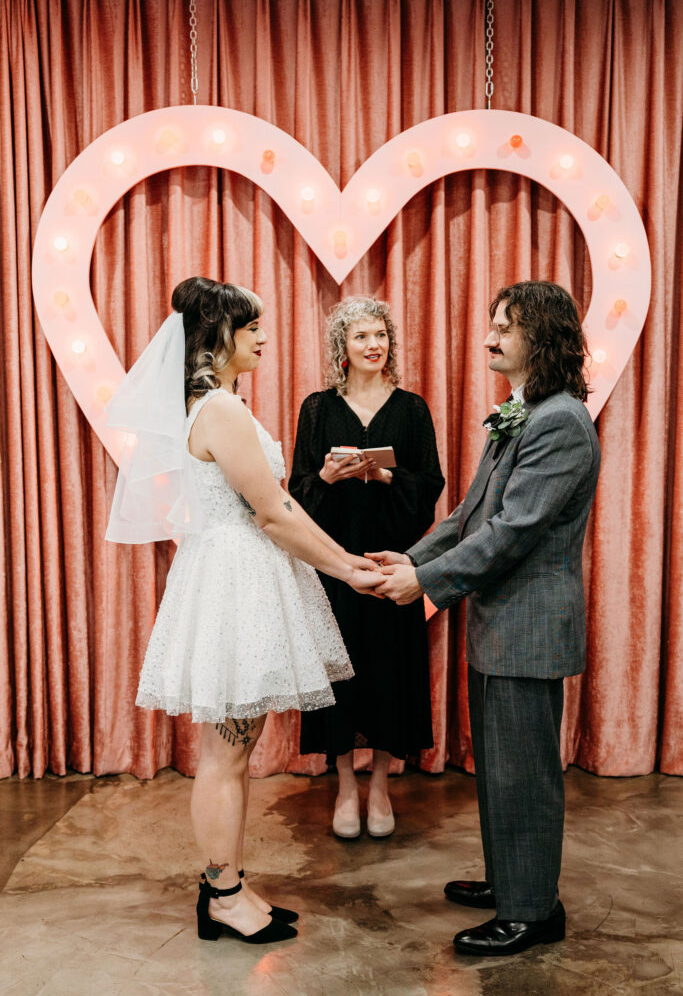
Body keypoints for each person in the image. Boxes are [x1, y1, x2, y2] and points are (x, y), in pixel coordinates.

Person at [105, 277, 382, 945]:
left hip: (236, 574)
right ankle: (222, 896)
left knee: (234, 748)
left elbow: (277, 511)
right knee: (226, 755)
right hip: (235, 581)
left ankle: (225, 882)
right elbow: (275, 512)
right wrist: (347, 568)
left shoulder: (218, 402)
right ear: (220, 337)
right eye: (252, 327)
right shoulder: (220, 411)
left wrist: (342, 564)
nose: (262, 337)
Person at [370, 280, 601, 956]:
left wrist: (426, 583)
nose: (488, 337)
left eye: (503, 325)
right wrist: (406, 560)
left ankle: (531, 911)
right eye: (490, 323)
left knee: (524, 773)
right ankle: (511, 881)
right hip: (499, 622)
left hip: (527, 627)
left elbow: (513, 531)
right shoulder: (522, 411)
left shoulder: (559, 420)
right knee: (499, 767)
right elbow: (470, 518)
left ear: (541, 335)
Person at [289, 296, 444, 839]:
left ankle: (379, 785)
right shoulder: (317, 408)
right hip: (333, 568)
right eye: (360, 336)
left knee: (389, 676)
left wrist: (384, 478)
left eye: (380, 335)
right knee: (339, 679)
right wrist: (329, 477)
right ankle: (345, 787)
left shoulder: (413, 408)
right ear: (342, 348)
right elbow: (295, 495)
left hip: (390, 568)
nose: (373, 344)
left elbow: (430, 489)